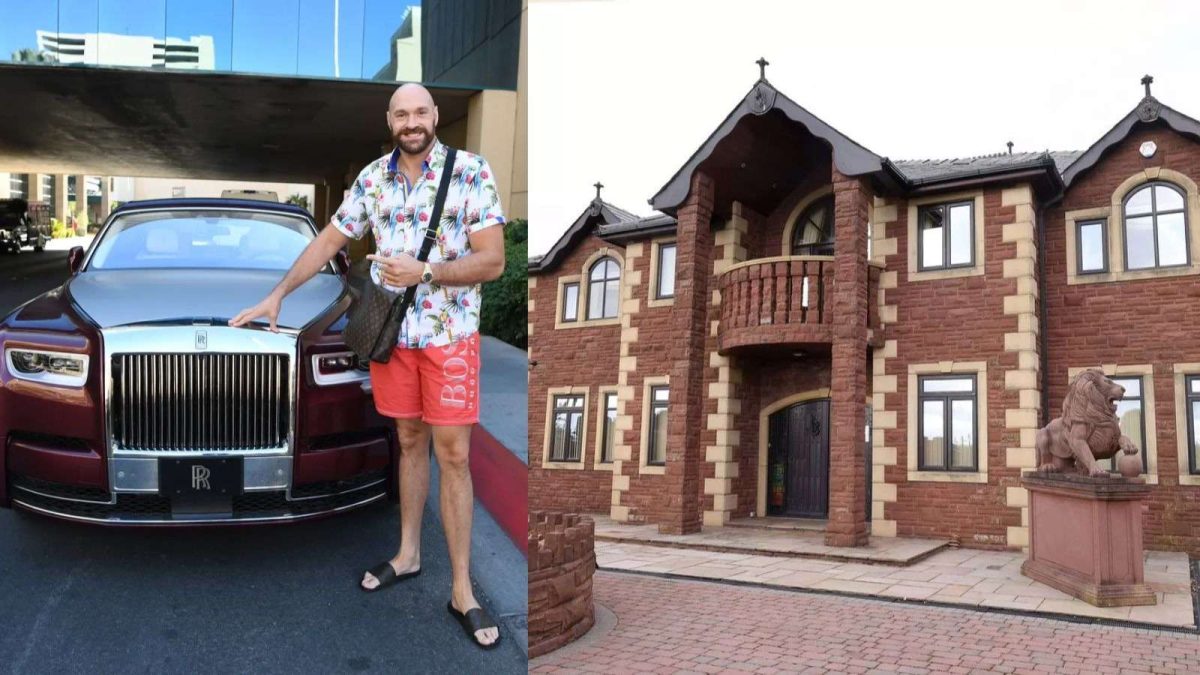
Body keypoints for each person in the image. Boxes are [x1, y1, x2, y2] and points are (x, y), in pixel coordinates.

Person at [229, 83, 506, 649]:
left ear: (435, 116)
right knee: (407, 440)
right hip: (391, 337)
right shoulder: (374, 177)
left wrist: (424, 272)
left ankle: (461, 589)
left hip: (449, 338)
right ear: (390, 119)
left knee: (452, 456)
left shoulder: (471, 171)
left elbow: (493, 260)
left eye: (420, 112)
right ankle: (407, 555)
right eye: (401, 113)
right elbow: (332, 236)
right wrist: (280, 292)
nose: (411, 121)